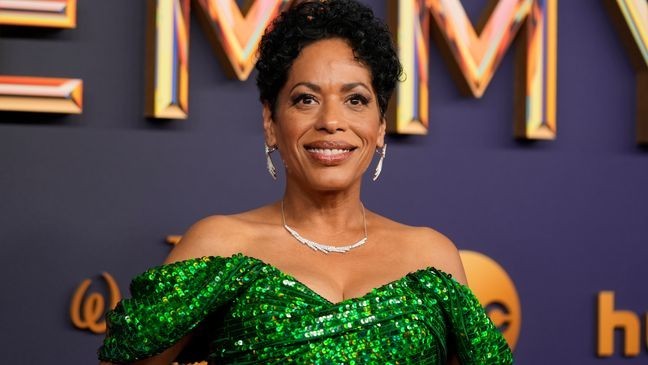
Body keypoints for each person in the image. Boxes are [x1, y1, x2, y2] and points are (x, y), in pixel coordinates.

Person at [98, 0, 513, 364]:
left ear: (381, 126)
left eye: (356, 100)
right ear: (270, 122)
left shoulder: (431, 258)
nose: (331, 122)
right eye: (305, 99)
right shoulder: (220, 246)